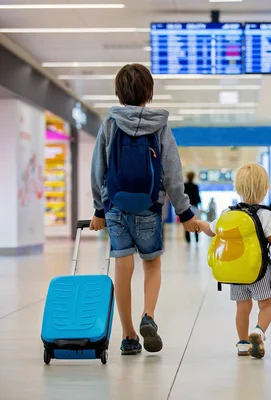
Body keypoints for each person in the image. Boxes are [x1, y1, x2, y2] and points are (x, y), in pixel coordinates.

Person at [89, 63, 199, 356]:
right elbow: (172, 175)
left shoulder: (109, 125)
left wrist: (100, 210)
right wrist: (184, 213)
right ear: (149, 94)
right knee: (152, 264)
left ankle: (128, 336)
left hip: (116, 207)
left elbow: (97, 169)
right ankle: (148, 315)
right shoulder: (160, 125)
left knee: (123, 269)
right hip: (150, 208)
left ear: (118, 92)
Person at [197, 163, 271, 358]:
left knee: (242, 307)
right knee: (266, 305)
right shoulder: (264, 214)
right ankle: (258, 331)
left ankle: (242, 343)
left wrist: (199, 223)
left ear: (238, 188)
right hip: (260, 271)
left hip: (235, 272)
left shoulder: (227, 214)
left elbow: (210, 230)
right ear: (265, 190)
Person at [184, 171, 202, 243]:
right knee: (196, 222)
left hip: (186, 207)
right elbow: (198, 197)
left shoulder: (184, 185)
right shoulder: (195, 186)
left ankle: (188, 239)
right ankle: (196, 237)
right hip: (194, 206)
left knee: (186, 222)